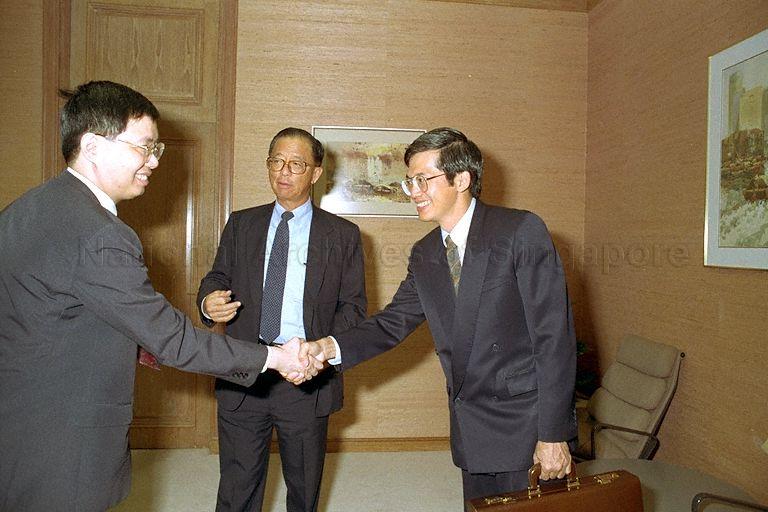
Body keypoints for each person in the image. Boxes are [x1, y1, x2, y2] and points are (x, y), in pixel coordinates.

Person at [0, 81, 318, 512]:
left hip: (19, 418)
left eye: (156, 149)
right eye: (144, 147)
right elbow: (176, 342)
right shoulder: (100, 234)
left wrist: (136, 339)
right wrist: (276, 357)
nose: (153, 161)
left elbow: (51, 309)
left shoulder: (27, 208)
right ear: (93, 146)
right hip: (62, 440)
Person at [302, 127, 576, 504]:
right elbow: (392, 322)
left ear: (461, 179)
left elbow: (554, 338)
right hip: (470, 426)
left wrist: (553, 434)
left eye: (423, 179)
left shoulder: (520, 231)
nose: (413, 192)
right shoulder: (426, 253)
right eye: (409, 181)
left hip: (526, 427)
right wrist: (328, 347)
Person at [197, 127, 367, 512]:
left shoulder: (342, 235)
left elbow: (353, 308)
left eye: (296, 164)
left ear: (316, 173)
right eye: (276, 161)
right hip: (246, 370)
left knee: (303, 491)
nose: (283, 171)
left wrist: (319, 354)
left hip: (306, 378)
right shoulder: (242, 224)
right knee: (237, 488)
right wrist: (209, 301)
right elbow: (218, 276)